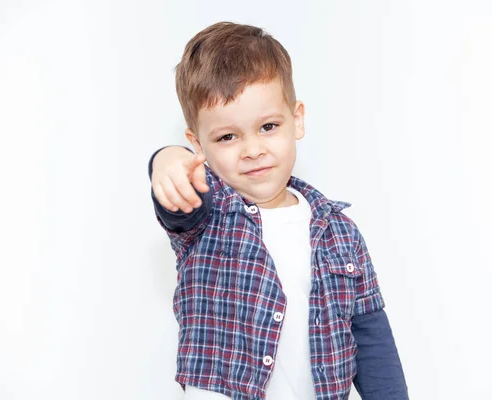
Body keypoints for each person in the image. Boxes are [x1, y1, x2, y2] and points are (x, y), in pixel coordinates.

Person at [148, 21, 409, 400]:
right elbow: (178, 200)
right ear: (198, 144)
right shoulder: (208, 215)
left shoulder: (341, 232)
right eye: (227, 137)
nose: (252, 149)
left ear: (296, 119)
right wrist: (166, 159)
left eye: (267, 126)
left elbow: (371, 336)